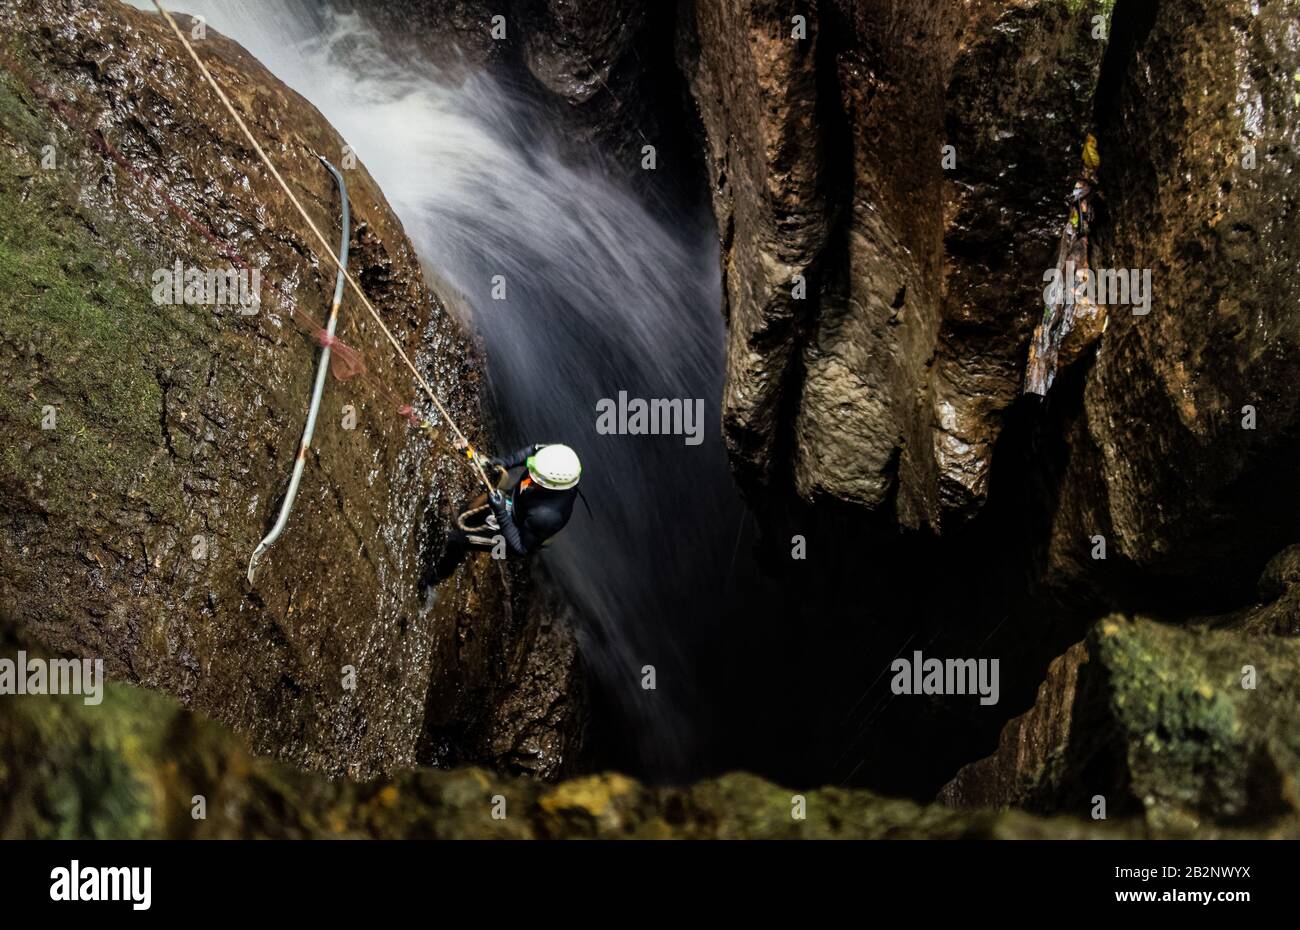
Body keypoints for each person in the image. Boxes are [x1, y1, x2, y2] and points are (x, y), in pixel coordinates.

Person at [424, 440, 582, 587]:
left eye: (536, 479)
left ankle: (435, 577)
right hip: (512, 504)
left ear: (551, 487)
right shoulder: (550, 458)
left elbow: (520, 548)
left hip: (517, 532)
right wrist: (506, 462)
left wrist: (500, 512)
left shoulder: (547, 516)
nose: (530, 475)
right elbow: (532, 451)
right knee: (466, 512)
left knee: (458, 540)